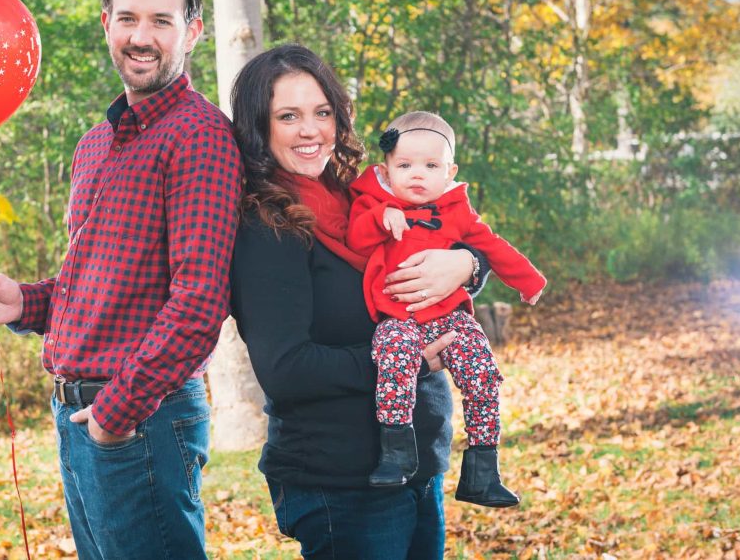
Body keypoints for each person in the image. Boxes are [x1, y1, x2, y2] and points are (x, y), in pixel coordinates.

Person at [0, 0, 242, 559]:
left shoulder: (200, 137)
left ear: (192, 31)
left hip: (141, 419)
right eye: (128, 19)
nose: (142, 37)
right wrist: (26, 302)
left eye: (162, 21)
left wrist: (116, 412)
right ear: (106, 25)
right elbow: (94, 281)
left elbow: (199, 303)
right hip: (79, 416)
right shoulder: (94, 145)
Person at [229, 44, 490, 559]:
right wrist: (407, 361)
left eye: (321, 112)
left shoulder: (360, 198)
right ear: (260, 127)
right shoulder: (267, 227)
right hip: (342, 480)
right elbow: (287, 369)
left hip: (417, 462)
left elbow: (439, 249)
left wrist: (468, 264)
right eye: (289, 116)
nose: (311, 130)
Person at [347, 110, 546, 505]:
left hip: (450, 318)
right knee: (394, 357)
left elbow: (492, 247)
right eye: (405, 165)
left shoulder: (457, 212)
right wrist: (380, 217)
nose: (417, 174)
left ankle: (482, 471)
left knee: (483, 374)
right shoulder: (372, 203)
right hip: (399, 316)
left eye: (431, 165)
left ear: (449, 171)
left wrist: (528, 279)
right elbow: (355, 238)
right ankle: (397, 454)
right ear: (386, 169)